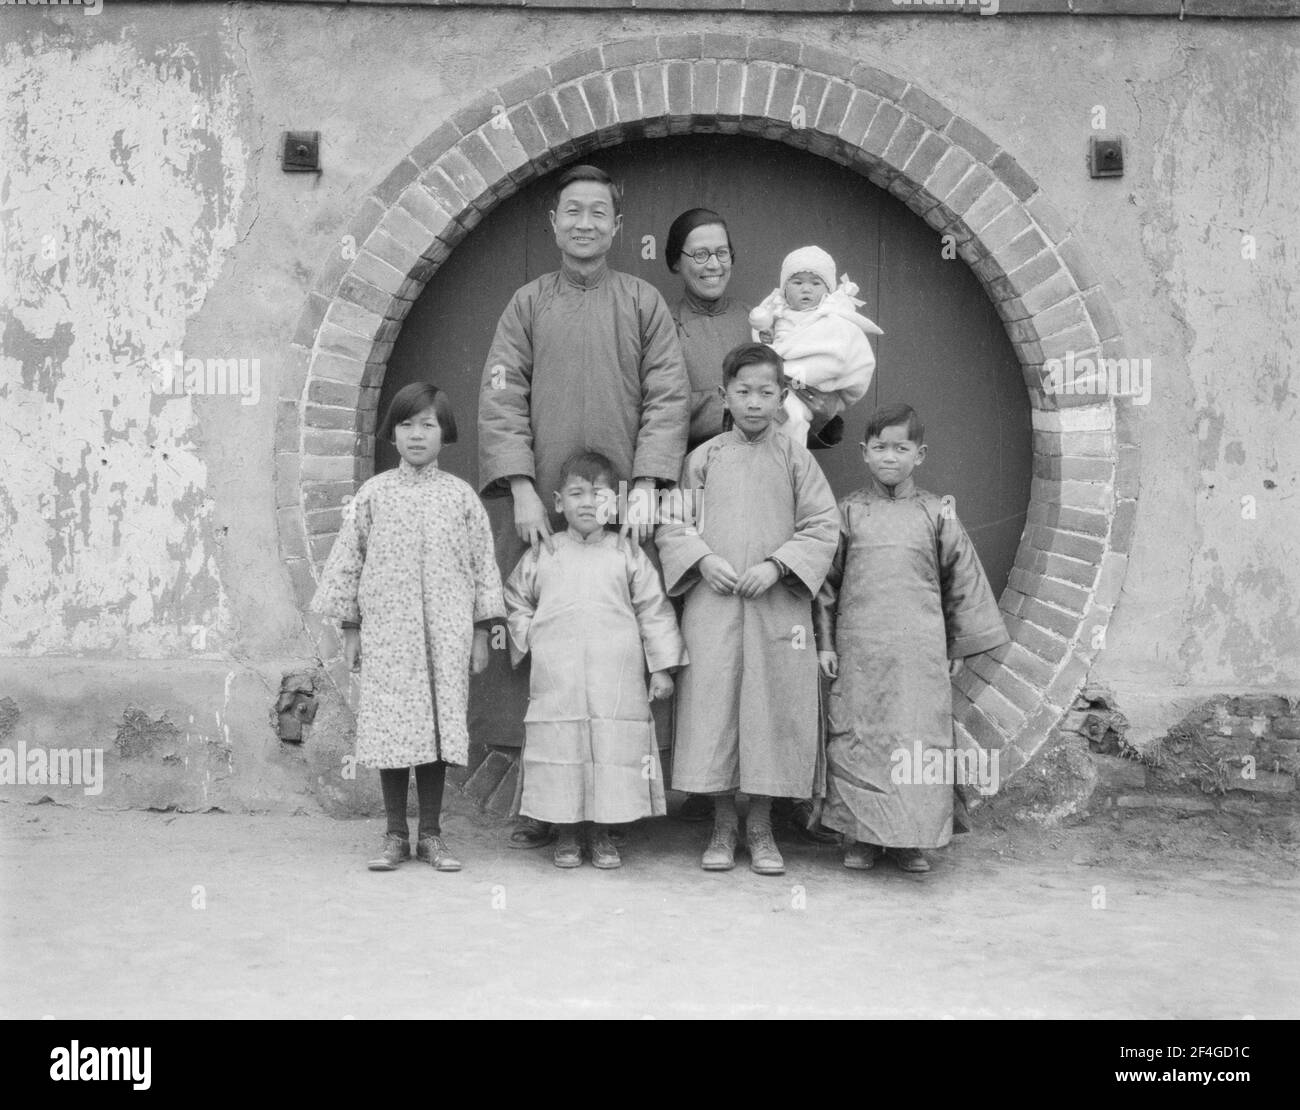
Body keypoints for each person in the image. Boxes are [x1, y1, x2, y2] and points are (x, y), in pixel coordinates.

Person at [477, 164, 691, 849]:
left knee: (617, 657)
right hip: (548, 508)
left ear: (618, 227)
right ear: (554, 221)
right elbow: (502, 394)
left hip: (623, 512)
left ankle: (615, 807)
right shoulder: (527, 304)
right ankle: (547, 803)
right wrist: (519, 486)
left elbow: (667, 395)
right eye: (573, 211)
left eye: (600, 213)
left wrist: (647, 483)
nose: (586, 224)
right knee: (550, 659)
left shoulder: (642, 302)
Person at [657, 342, 839, 876]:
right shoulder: (704, 458)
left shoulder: (795, 458)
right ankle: (721, 823)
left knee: (770, 704)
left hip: (776, 607)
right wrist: (701, 558)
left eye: (766, 391)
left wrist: (778, 566)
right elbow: (673, 522)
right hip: (713, 602)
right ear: (724, 395)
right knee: (712, 703)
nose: (755, 402)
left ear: (783, 396)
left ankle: (760, 825)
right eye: (743, 391)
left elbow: (822, 525)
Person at [313, 382, 505, 872]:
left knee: (438, 730)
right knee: (394, 728)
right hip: (389, 634)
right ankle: (395, 833)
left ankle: (433, 835)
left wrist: (482, 631)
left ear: (445, 434)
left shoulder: (461, 499)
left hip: (446, 634)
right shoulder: (372, 495)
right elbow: (348, 564)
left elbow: (483, 566)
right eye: (406, 424)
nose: (416, 435)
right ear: (392, 433)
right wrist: (352, 628)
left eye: (428, 425)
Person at [813, 403, 1009, 874]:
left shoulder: (937, 512)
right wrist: (824, 643)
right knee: (858, 740)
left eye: (901, 448)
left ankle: (910, 841)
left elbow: (961, 580)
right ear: (863, 453)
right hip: (860, 651)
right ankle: (860, 838)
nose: (890, 458)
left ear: (919, 455)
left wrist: (956, 646)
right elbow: (826, 585)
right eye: (880, 448)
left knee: (918, 741)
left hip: (920, 651)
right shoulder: (849, 512)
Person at [503, 451, 687, 869]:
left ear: (617, 503)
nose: (588, 503)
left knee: (613, 749)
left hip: (616, 680)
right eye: (576, 493)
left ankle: (603, 832)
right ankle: (566, 833)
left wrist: (661, 667)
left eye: (599, 493)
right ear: (557, 502)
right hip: (558, 679)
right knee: (559, 745)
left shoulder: (627, 553)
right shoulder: (543, 553)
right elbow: (516, 598)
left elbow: (654, 610)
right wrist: (531, 634)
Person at [749, 245, 883, 448]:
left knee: (793, 418)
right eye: (797, 282)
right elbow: (769, 347)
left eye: (815, 283)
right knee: (772, 411)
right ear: (784, 288)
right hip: (780, 383)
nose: (806, 289)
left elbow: (836, 353)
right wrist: (766, 339)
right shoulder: (778, 314)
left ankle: (790, 462)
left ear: (828, 290)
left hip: (806, 384)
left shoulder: (831, 319)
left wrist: (785, 371)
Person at [666, 208, 752, 452]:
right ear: (675, 261)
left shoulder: (755, 320)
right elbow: (660, 409)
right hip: (693, 475)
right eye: (700, 254)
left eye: (722, 253)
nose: (714, 265)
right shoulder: (662, 325)